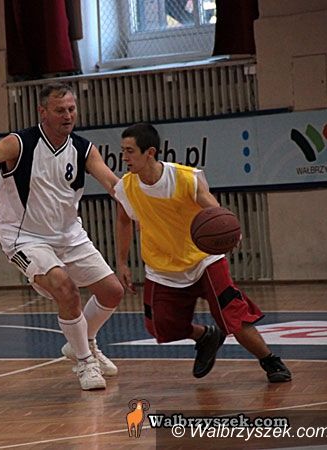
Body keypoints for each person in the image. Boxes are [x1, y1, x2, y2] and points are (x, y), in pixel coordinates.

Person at [0, 83, 125, 390]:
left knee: (113, 292)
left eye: (71, 109)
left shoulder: (84, 149)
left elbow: (112, 183)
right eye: (60, 110)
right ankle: (85, 362)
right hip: (25, 238)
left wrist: (141, 198)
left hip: (69, 235)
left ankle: (85, 341)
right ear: (43, 112)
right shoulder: (20, 144)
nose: (68, 116)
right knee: (66, 289)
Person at [113, 123, 292, 383]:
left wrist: (230, 232)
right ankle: (205, 336)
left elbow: (214, 210)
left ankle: (270, 360)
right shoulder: (126, 187)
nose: (124, 157)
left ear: (149, 152)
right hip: (162, 267)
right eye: (122, 151)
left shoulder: (185, 177)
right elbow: (123, 221)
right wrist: (121, 262)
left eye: (129, 151)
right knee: (161, 327)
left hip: (204, 259)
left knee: (232, 314)